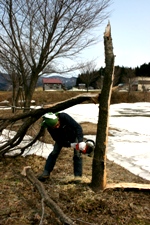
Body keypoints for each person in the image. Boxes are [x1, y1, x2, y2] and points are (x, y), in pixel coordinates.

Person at [38, 112, 86, 182]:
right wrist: (70, 145)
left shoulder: (64, 117)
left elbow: (77, 127)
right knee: (54, 153)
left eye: (57, 124)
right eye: (54, 127)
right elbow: (57, 140)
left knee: (77, 154)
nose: (57, 127)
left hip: (74, 135)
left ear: (58, 119)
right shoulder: (50, 128)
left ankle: (78, 176)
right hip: (62, 139)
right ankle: (46, 173)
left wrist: (80, 141)